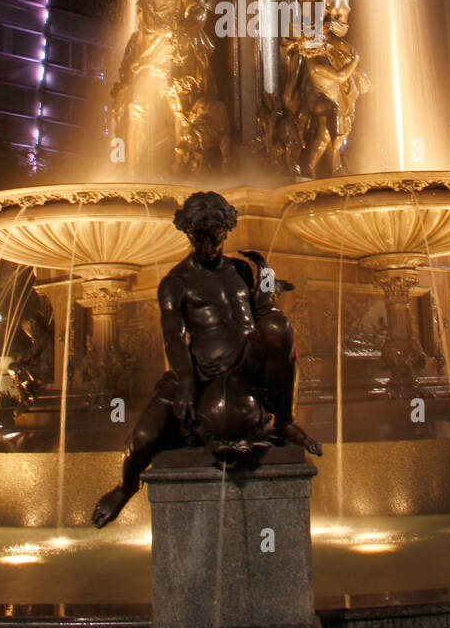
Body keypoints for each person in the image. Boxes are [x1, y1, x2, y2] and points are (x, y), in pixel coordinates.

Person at [92, 190, 320, 528]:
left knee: (278, 327)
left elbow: (261, 313)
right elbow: (173, 337)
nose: (209, 247)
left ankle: (284, 419)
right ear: (188, 234)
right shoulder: (176, 282)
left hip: (246, 365)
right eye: (200, 239)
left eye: (215, 238)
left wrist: (266, 282)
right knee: (143, 438)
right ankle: (126, 486)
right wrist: (185, 382)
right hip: (201, 371)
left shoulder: (241, 270)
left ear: (226, 232)